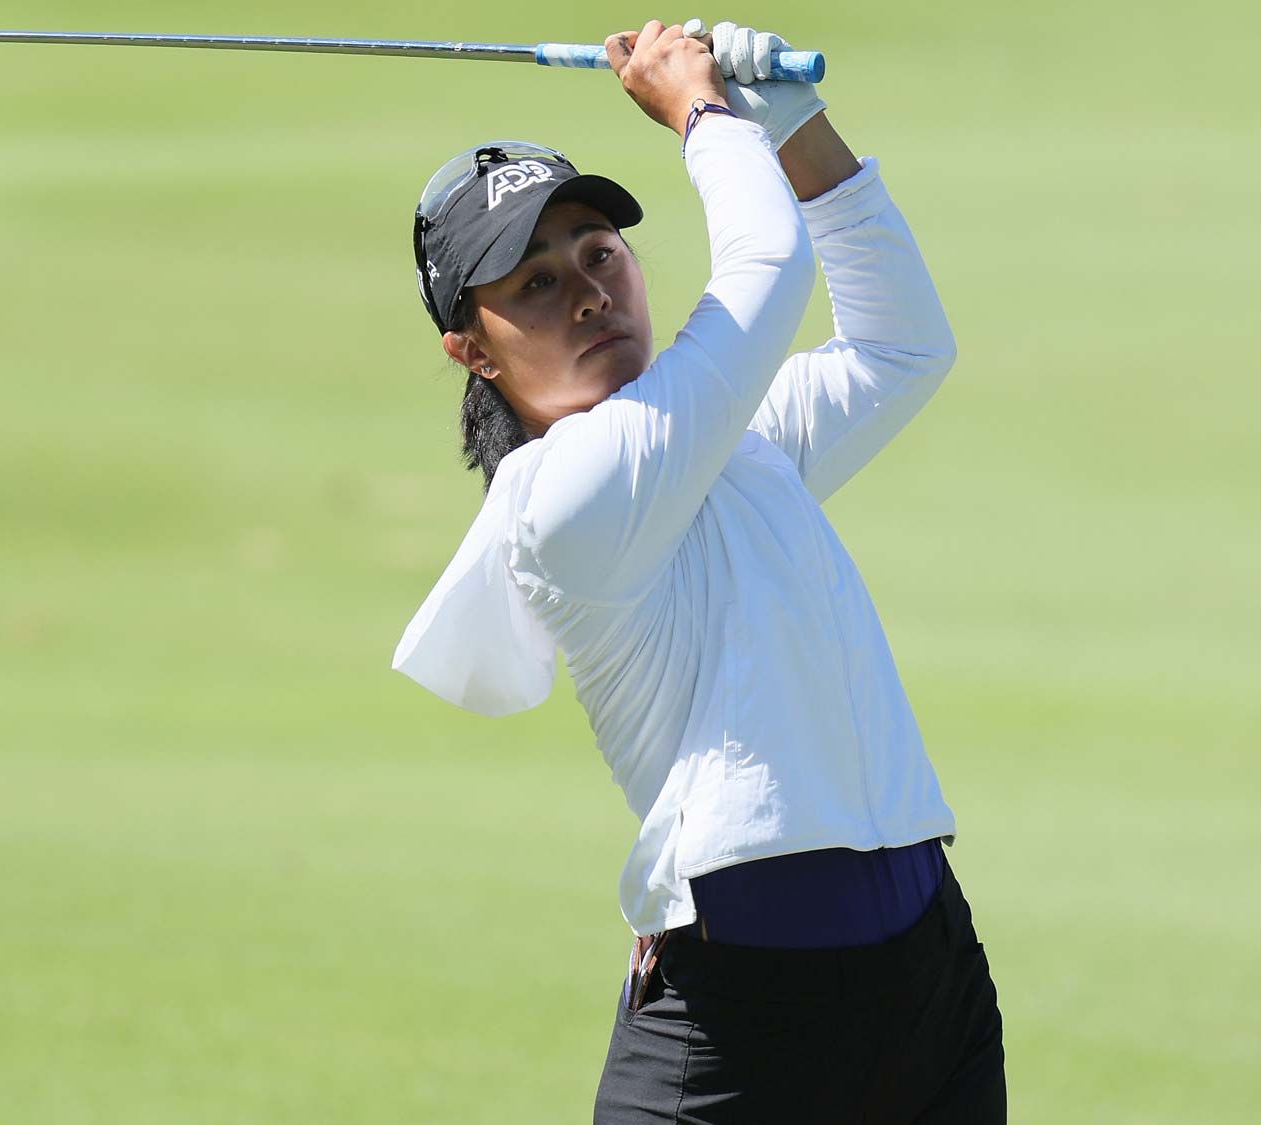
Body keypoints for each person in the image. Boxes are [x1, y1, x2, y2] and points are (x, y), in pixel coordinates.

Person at [393, 18, 1005, 1123]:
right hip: (742, 1029)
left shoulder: (721, 439)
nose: (584, 293)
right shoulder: (564, 496)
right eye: (533, 285)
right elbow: (765, 267)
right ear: (471, 350)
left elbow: (900, 346)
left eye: (597, 254)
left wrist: (790, 123)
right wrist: (696, 109)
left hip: (927, 979)